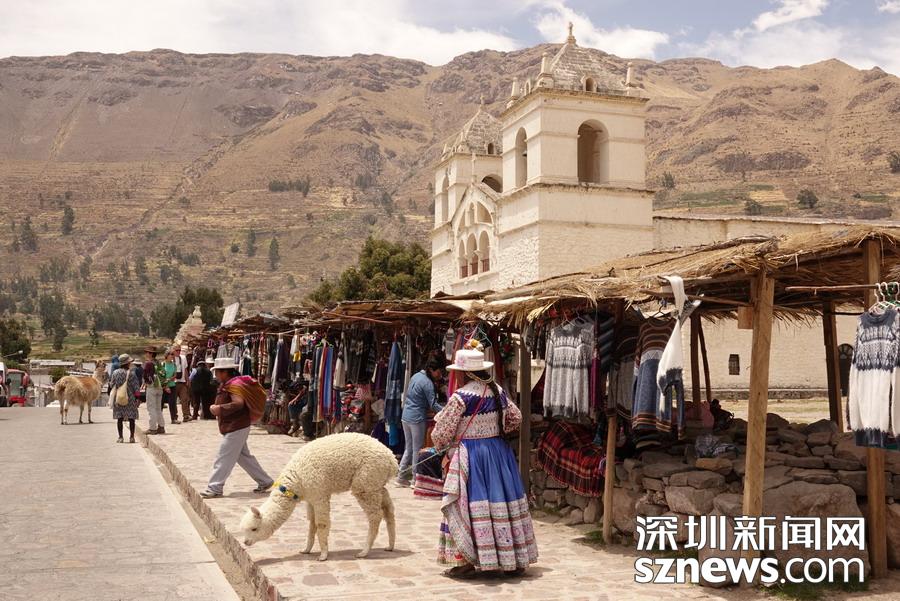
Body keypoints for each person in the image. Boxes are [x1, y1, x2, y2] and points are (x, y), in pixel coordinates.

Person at [431, 342, 538, 579]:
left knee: (468, 505)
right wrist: (494, 432)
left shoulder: (460, 397)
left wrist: (442, 447)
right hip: (498, 455)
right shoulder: (496, 390)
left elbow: (441, 432)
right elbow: (515, 417)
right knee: (502, 501)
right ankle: (511, 560)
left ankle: (467, 561)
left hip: (472, 457)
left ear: (464, 373)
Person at [200, 358, 274, 499]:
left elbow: (238, 403)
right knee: (244, 457)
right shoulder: (228, 384)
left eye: (217, 372)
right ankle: (265, 481)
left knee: (223, 456)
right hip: (235, 425)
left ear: (225, 372)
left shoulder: (234, 386)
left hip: (236, 426)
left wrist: (219, 408)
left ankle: (214, 487)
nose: (216, 375)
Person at [397, 357, 445, 486]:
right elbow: (433, 404)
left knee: (409, 448)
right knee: (416, 449)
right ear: (431, 370)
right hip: (416, 418)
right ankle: (415, 479)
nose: (440, 375)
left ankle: (401, 476)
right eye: (438, 372)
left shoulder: (415, 376)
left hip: (406, 416)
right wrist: (447, 411)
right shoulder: (428, 383)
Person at [110, 353, 141, 443]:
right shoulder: (132, 374)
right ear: (127, 363)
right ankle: (131, 437)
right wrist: (138, 398)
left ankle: (120, 437)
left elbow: (111, 385)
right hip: (130, 399)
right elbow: (136, 387)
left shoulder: (115, 373)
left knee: (119, 418)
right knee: (131, 418)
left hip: (119, 398)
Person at [143, 346, 166, 435]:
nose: (146, 354)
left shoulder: (148, 363)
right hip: (160, 387)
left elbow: (145, 375)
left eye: (147, 352)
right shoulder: (158, 363)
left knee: (151, 408)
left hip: (152, 387)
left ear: (150, 354)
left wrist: (146, 383)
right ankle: (161, 426)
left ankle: (152, 428)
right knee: (158, 408)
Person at [172, 345, 193, 422]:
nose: (178, 352)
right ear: (173, 351)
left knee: (185, 399)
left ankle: (186, 415)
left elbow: (185, 369)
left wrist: (188, 380)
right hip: (174, 383)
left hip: (182, 382)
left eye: (179, 350)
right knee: (173, 401)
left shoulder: (183, 358)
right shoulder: (171, 359)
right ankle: (174, 416)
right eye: (176, 350)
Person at [162, 349, 179, 424]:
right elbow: (161, 376)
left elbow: (175, 375)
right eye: (171, 354)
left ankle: (174, 418)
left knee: (172, 403)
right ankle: (159, 420)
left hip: (172, 385)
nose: (173, 356)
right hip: (163, 386)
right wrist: (166, 385)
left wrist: (170, 379)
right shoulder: (162, 364)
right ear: (167, 355)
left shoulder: (174, 364)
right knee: (160, 403)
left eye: (173, 354)